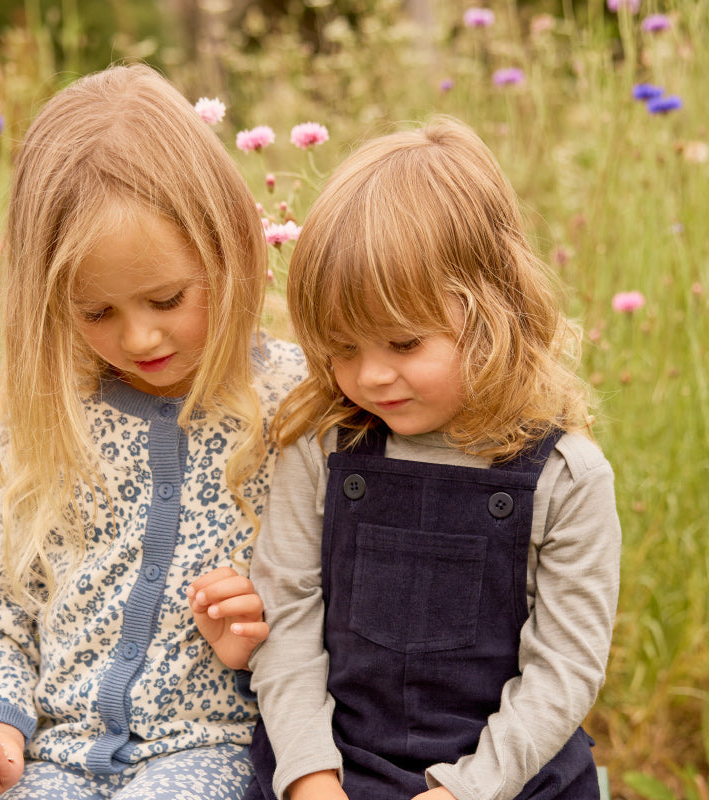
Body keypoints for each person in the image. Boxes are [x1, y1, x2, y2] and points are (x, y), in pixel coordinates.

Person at [0, 63, 304, 800]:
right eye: (97, 313)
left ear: (227, 247)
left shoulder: (294, 404)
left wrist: (261, 635)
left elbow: (338, 600)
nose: (140, 337)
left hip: (213, 747)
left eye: (166, 298)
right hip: (55, 754)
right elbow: (0, 607)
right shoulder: (44, 418)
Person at [236, 117, 622, 800]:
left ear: (495, 312)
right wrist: (310, 777)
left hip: (507, 775)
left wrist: (465, 791)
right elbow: (287, 619)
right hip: (338, 761)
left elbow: (564, 669)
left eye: (403, 343)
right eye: (343, 349)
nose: (371, 377)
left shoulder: (568, 477)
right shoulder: (322, 446)